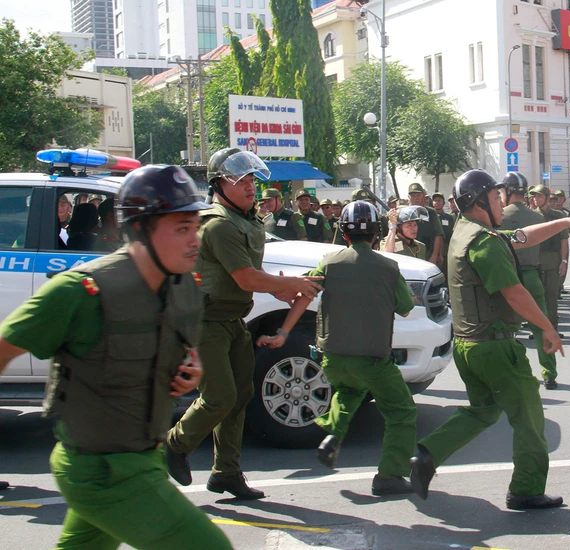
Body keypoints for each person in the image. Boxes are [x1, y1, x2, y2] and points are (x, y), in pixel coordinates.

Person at [0, 164, 233, 549]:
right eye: (181, 229)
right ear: (139, 229)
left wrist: (191, 367)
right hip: (101, 470)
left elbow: (177, 345)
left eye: (196, 226)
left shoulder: (183, 286)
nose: (195, 240)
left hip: (145, 457)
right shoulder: (82, 291)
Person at [408, 169, 570, 509]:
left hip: (469, 345)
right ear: (479, 202)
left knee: (483, 411)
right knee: (528, 418)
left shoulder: (467, 233)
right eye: (496, 198)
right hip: (494, 346)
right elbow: (514, 293)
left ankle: (428, 453)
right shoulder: (485, 243)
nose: (502, 202)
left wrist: (567, 224)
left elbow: (522, 236)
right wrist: (547, 328)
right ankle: (526, 490)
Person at [164, 148, 323, 500]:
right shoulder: (219, 224)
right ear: (219, 183)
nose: (251, 186)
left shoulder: (246, 220)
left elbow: (247, 279)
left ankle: (226, 472)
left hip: (233, 318)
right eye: (242, 180)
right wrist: (292, 284)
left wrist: (280, 289)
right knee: (219, 397)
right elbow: (246, 277)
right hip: (207, 321)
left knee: (240, 396)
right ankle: (174, 445)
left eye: (253, 179)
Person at [256, 201, 418, 496]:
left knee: (349, 392)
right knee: (401, 411)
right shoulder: (389, 267)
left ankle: (332, 435)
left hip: (332, 357)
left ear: (343, 233)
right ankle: (390, 476)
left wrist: (281, 333)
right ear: (376, 233)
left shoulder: (329, 262)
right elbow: (406, 310)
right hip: (371, 359)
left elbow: (304, 295)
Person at [499, 172, 559, 389]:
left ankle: (508, 374)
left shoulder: (499, 216)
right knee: (541, 324)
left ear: (506, 191)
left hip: (507, 276)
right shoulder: (537, 217)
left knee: (503, 328)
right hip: (532, 275)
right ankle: (549, 373)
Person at [529, 185, 568, 336]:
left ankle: (552, 328)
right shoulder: (531, 216)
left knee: (551, 296)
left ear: (546, 197)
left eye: (539, 196)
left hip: (553, 259)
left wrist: (563, 261)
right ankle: (538, 329)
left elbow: (564, 239)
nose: (535, 199)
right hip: (536, 260)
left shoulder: (558, 216)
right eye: (534, 197)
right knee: (537, 296)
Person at [407, 184, 445, 266]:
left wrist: (434, 256)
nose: (415, 198)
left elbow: (438, 235)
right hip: (408, 254)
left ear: (423, 197)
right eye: (413, 195)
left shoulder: (431, 212)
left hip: (427, 255)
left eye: (418, 195)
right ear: (409, 197)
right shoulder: (404, 213)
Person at [550, 189, 570, 294]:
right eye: (556, 198)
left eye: (560, 198)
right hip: (554, 242)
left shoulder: (565, 212)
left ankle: (560, 285)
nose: (558, 200)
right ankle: (556, 287)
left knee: (564, 261)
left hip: (564, 240)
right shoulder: (550, 212)